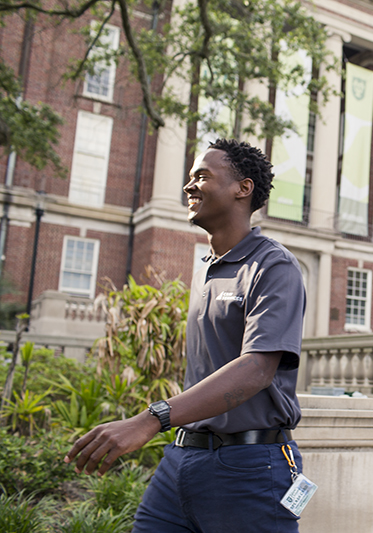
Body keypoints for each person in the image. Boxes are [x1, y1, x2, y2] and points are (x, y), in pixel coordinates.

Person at [65, 138, 307, 533]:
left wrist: (151, 419)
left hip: (250, 467)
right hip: (181, 461)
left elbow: (257, 369)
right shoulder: (206, 269)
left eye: (202, 176)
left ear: (242, 189)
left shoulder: (273, 266)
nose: (188, 186)